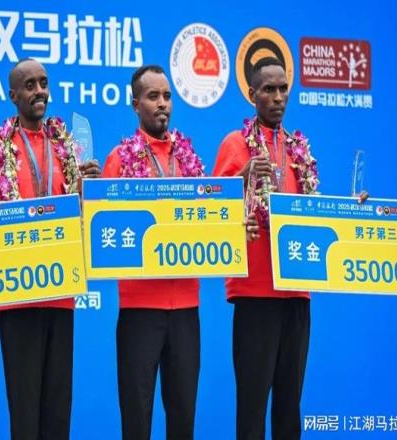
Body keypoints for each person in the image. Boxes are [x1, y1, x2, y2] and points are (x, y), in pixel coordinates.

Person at [0, 58, 100, 440]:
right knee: (25, 410)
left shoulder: (67, 148)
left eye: (43, 83)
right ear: (13, 96)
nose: (39, 91)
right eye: (30, 85)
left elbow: (82, 212)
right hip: (17, 295)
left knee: (58, 409)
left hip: (60, 293)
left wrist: (89, 188)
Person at [212, 57, 320, 440]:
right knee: (253, 405)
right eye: (269, 89)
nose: (277, 97)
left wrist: (351, 212)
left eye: (283, 89)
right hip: (255, 292)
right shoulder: (235, 144)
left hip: (296, 291)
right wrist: (242, 178)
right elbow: (214, 208)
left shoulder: (299, 150)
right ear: (252, 94)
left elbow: (313, 213)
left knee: (290, 405)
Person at [101, 65, 205, 440]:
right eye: (153, 96)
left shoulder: (189, 159)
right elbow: (102, 228)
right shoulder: (119, 159)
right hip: (140, 308)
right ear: (135, 105)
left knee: (183, 417)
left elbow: (211, 219)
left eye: (167, 96)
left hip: (186, 309)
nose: (162, 104)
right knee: (137, 417)